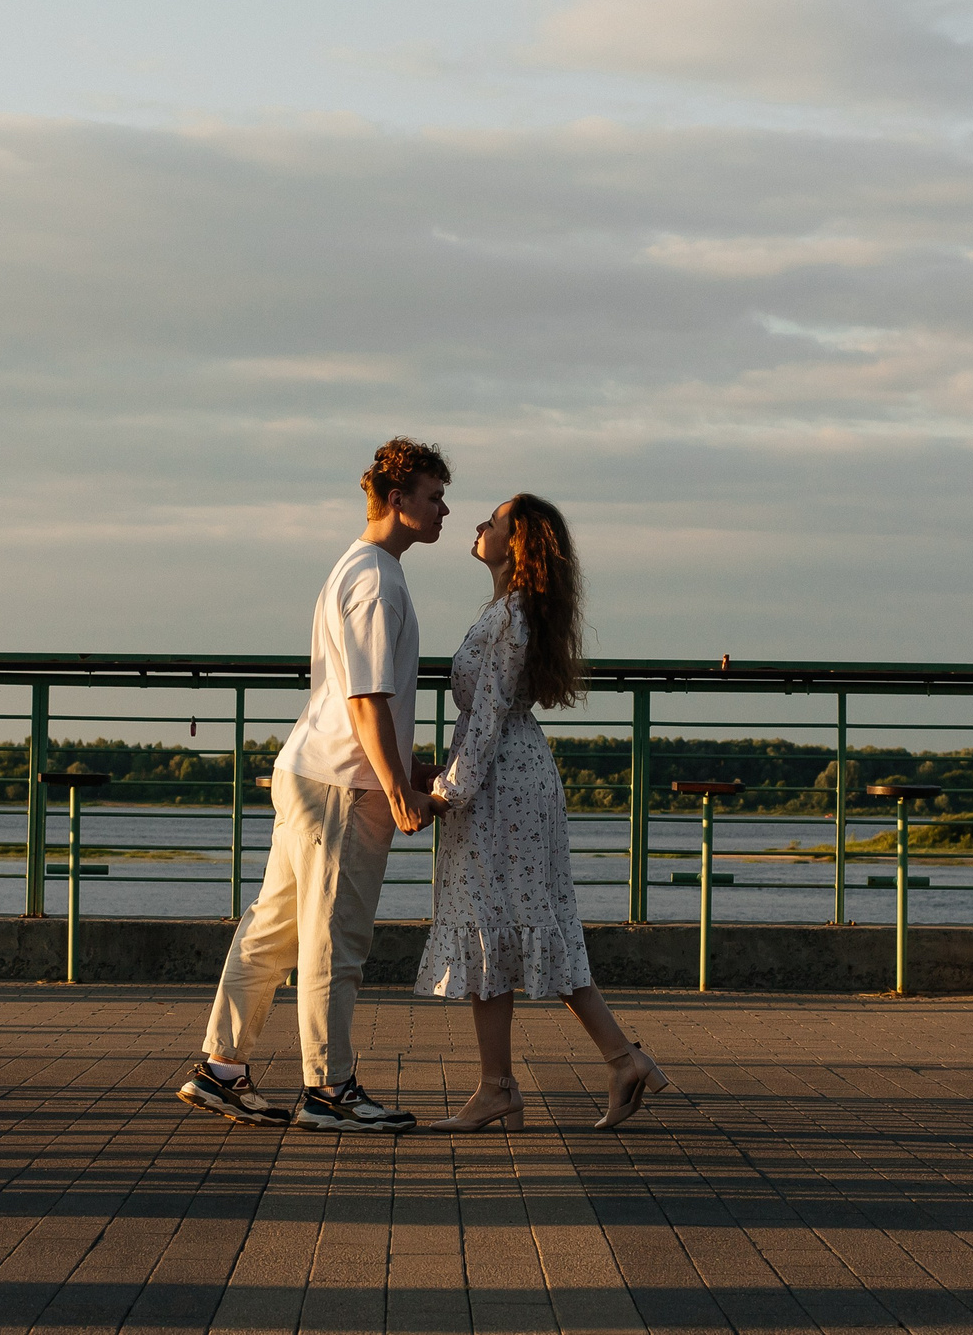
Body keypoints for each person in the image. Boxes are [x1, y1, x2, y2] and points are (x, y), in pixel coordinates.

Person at [178, 438, 450, 1133]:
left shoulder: (356, 568)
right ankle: (328, 1089)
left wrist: (402, 768)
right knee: (334, 939)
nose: (443, 508)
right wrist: (395, 787)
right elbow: (365, 696)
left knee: (274, 927)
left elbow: (358, 698)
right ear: (397, 500)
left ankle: (222, 1068)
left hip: (312, 769)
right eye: (432, 495)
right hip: (341, 783)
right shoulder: (376, 578)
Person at [416, 493, 670, 1132]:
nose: (478, 525)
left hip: (503, 783)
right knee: (509, 925)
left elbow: (491, 715)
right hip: (511, 777)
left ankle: (533, 1079)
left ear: (520, 542)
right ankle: (593, 1065)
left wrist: (449, 791)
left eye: (492, 521)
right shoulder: (511, 609)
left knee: (503, 920)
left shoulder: (511, 616)